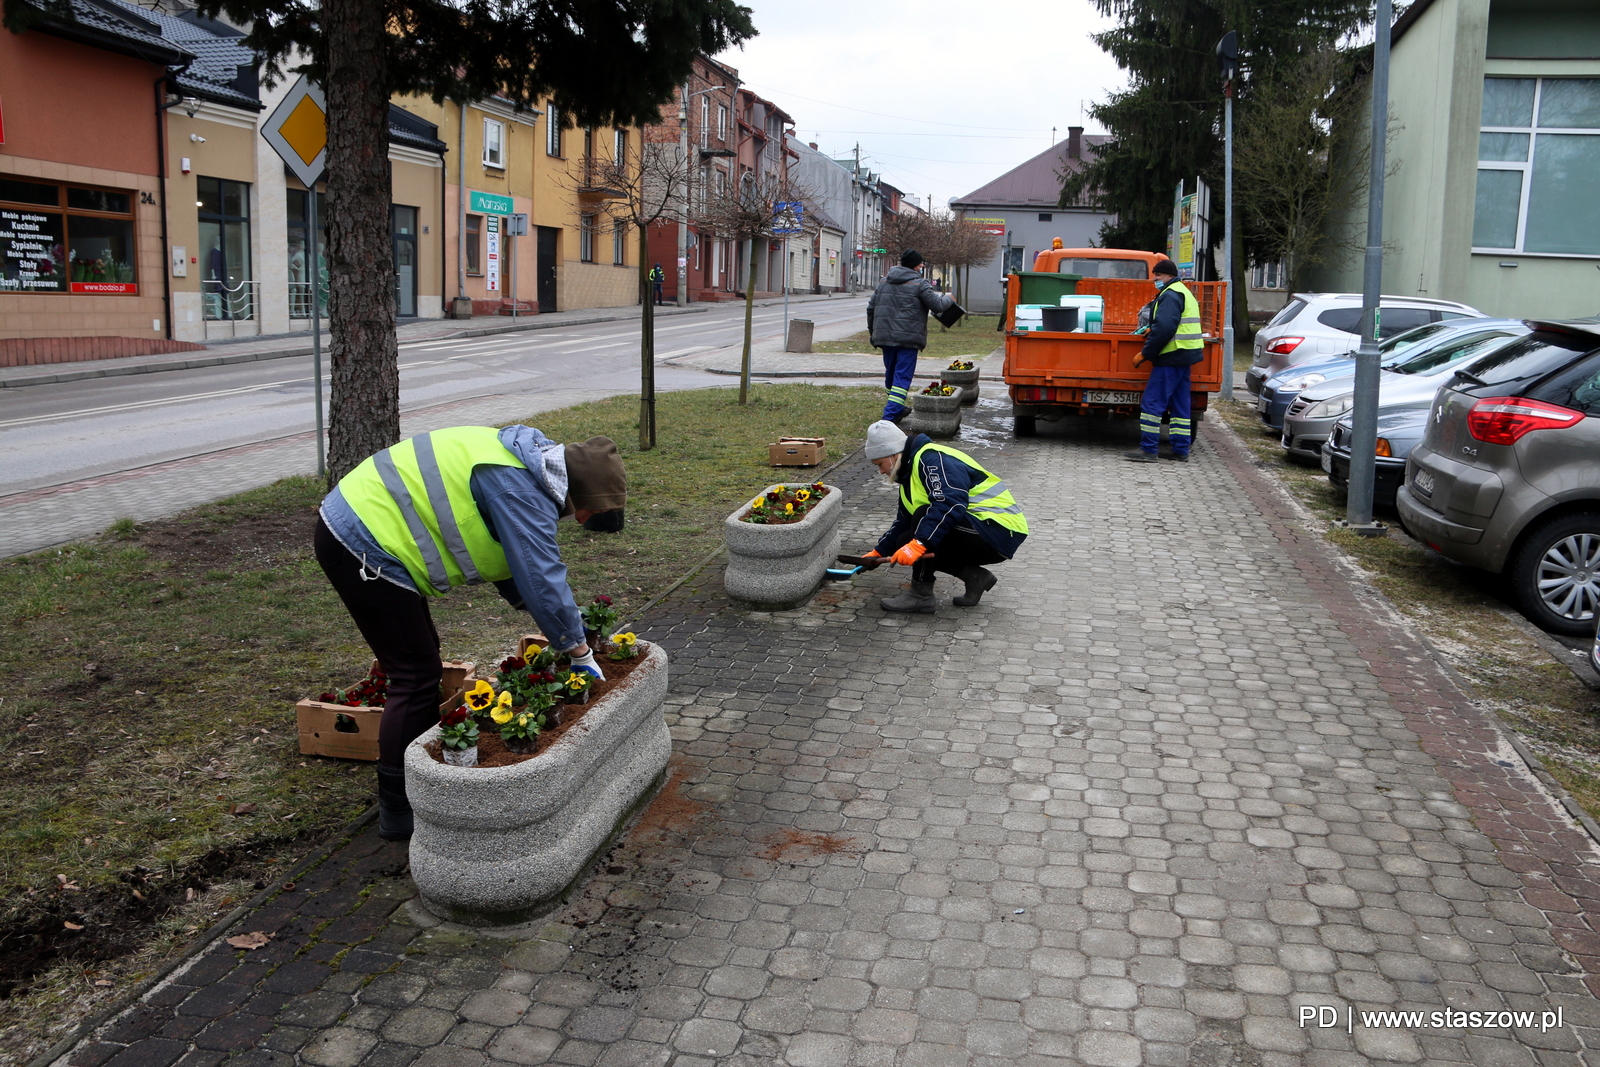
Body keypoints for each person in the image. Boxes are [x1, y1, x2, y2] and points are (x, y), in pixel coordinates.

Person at [314, 426, 627, 839]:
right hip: (361, 543)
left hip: (370, 532)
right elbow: (540, 574)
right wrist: (578, 650)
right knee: (413, 674)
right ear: (581, 492)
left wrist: (557, 621)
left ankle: (423, 777)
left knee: (420, 665)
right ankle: (398, 810)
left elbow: (510, 557)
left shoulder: (521, 465)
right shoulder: (519, 490)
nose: (580, 520)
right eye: (587, 513)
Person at [859, 420, 1028, 613]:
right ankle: (975, 577)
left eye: (879, 464)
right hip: (981, 530)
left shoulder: (932, 460)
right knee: (905, 539)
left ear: (893, 454)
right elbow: (903, 523)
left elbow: (949, 503)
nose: (880, 471)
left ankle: (920, 595)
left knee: (924, 522)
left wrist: (920, 544)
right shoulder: (909, 476)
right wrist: (878, 553)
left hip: (1000, 530)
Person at [1125, 257, 1204, 462]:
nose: (1155, 279)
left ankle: (1149, 449)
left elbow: (1166, 328)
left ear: (1169, 275)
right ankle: (1180, 449)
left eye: (1158, 275)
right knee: (1180, 404)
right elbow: (1173, 323)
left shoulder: (1170, 294)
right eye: (1154, 275)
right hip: (1185, 354)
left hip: (1171, 355)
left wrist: (1145, 354)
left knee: (1152, 402)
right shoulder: (1183, 291)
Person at [867, 250, 956, 423]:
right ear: (915, 265)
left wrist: (874, 333)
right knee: (901, 378)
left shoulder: (884, 281)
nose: (922, 266)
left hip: (885, 337)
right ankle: (889, 418)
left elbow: (871, 308)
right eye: (921, 264)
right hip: (908, 340)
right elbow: (937, 305)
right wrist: (950, 298)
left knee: (891, 375)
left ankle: (897, 409)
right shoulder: (920, 284)